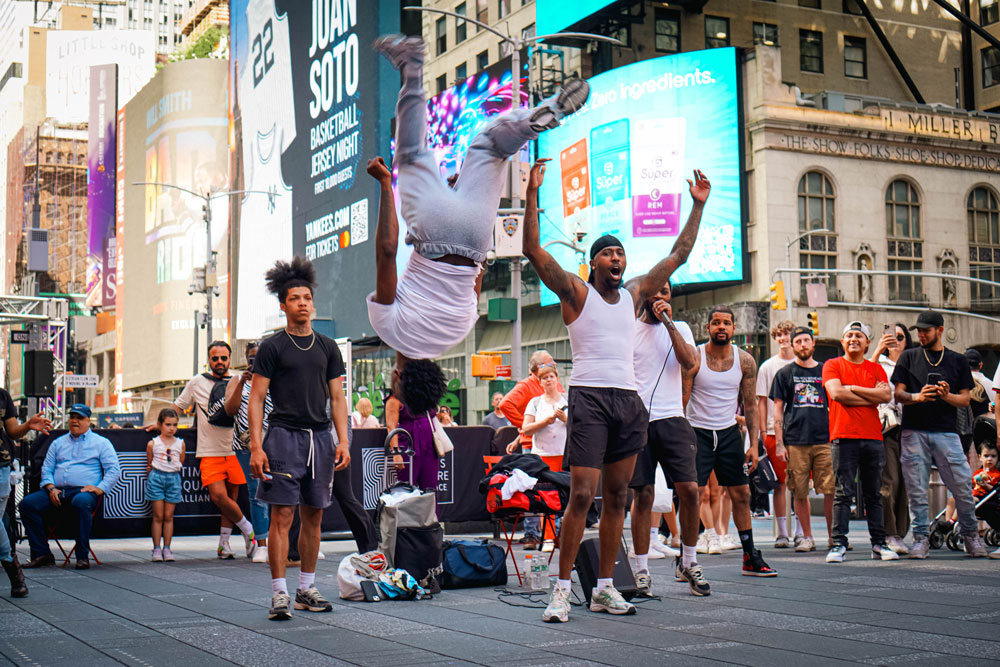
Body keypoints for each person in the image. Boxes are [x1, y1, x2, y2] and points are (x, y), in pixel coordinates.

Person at [523, 155, 711, 623]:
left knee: (619, 497)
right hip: (588, 397)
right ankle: (562, 591)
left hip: (628, 402)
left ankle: (605, 587)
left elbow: (679, 255)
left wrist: (698, 206)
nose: (617, 258)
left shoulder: (633, 294)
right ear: (593, 262)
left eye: (621, 253)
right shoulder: (575, 293)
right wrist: (530, 194)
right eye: (609, 253)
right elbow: (533, 251)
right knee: (582, 496)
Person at [367, 35, 588, 380]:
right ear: (397, 376)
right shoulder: (387, 327)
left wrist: (461, 203)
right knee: (411, 152)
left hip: (475, 240)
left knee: (491, 148)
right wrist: (384, 185)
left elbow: (476, 276)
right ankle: (411, 66)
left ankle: (541, 118)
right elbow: (386, 251)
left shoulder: (458, 332)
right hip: (432, 235)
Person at [248, 257, 351, 621]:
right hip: (283, 438)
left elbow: (337, 398)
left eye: (307, 297)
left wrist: (343, 440)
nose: (303, 303)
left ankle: (306, 589)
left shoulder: (327, 347)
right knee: (282, 516)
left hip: (320, 439)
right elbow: (257, 398)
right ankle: (279, 594)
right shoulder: (273, 347)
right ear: (283, 305)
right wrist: (257, 445)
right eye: (295, 298)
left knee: (314, 517)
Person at [684, 306, 776, 578]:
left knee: (741, 494)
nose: (721, 327)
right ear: (708, 328)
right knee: (693, 495)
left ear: (734, 328)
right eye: (716, 323)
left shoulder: (745, 361)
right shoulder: (695, 357)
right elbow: (682, 400)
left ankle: (750, 556)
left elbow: (750, 405)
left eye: (726, 323)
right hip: (697, 432)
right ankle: (686, 560)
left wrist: (753, 444)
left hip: (728, 434)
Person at [627, 280, 707, 597]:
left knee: (689, 490)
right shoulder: (629, 329)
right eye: (655, 291)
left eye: (666, 292)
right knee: (643, 495)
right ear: (643, 295)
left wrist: (669, 324)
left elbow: (690, 363)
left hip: (673, 417)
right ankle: (642, 570)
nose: (660, 296)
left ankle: (689, 560)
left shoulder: (681, 327)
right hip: (637, 421)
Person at [892, 310, 987, 558]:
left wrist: (946, 396)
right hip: (914, 431)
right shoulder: (909, 357)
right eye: (919, 331)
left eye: (926, 330)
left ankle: (969, 536)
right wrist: (917, 396)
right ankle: (921, 538)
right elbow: (898, 394)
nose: (921, 334)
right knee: (917, 489)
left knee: (963, 485)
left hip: (947, 432)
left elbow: (966, 399)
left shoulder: (957, 361)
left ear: (940, 330)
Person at [168, 341, 257, 560]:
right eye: (215, 358)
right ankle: (249, 531)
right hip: (209, 450)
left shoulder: (240, 378)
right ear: (208, 359)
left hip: (237, 449)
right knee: (219, 496)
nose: (219, 362)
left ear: (229, 359)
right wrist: (161, 423)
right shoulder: (197, 382)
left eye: (223, 358)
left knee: (232, 499)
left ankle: (223, 544)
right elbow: (178, 407)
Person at [822, 322, 897, 563]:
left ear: (867, 343)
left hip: (873, 437)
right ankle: (838, 544)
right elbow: (836, 394)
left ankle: (879, 543)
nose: (854, 339)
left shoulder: (875, 369)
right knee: (843, 493)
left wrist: (852, 388)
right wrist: (869, 395)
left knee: (874, 493)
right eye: (849, 335)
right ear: (842, 342)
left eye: (859, 336)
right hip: (843, 436)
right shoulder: (832, 365)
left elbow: (886, 395)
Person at [21, 404, 120, 570]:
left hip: (83, 491)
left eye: (80, 418)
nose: (75, 421)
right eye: (72, 417)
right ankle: (42, 553)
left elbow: (114, 469)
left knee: (81, 502)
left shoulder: (101, 443)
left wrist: (100, 488)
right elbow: (47, 469)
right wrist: (51, 488)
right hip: (57, 490)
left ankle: (82, 556)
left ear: (88, 421)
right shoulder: (57, 443)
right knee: (27, 505)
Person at [770, 326, 834, 553]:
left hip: (824, 438)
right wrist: (779, 443)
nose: (803, 345)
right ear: (793, 345)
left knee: (829, 490)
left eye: (807, 340)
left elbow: (834, 402)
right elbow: (778, 410)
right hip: (795, 440)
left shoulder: (826, 371)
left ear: (813, 343)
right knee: (799, 491)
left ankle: (833, 536)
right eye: (798, 341)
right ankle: (806, 537)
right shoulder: (784, 374)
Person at [508, 363, 567, 552]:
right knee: (545, 497)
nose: (549, 380)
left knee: (564, 497)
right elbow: (526, 428)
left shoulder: (567, 400)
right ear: (540, 382)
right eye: (545, 377)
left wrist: (566, 420)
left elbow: (582, 426)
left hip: (564, 455)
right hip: (542, 456)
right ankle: (548, 537)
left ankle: (561, 537)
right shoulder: (535, 402)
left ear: (557, 379)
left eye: (551, 376)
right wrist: (545, 422)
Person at [224, 341, 272, 564]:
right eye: (252, 357)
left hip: (274, 441)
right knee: (256, 491)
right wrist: (243, 383)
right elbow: (230, 410)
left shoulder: (276, 377)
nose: (255, 361)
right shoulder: (237, 380)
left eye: (259, 356)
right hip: (245, 444)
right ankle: (261, 544)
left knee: (281, 491)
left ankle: (279, 541)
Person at [1, 388, 50, 596]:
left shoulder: (2, 396)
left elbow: (12, 431)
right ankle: (14, 572)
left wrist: (27, 426)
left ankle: (15, 574)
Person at [869, 322, 912, 554]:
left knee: (905, 483)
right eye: (891, 336)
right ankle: (889, 533)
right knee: (888, 481)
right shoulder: (881, 364)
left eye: (900, 336)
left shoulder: (913, 362)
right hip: (885, 428)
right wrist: (877, 350)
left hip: (911, 428)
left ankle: (900, 533)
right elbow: (864, 374)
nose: (895, 340)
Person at [756, 319, 796, 548]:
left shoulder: (805, 364)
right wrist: (762, 430)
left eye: (786, 334)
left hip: (800, 432)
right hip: (772, 430)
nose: (783, 338)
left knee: (800, 484)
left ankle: (802, 531)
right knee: (779, 484)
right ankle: (782, 533)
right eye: (779, 335)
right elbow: (762, 401)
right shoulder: (768, 366)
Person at [384, 361, 447, 494]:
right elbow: (391, 426)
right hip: (408, 445)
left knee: (430, 488)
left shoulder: (425, 395)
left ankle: (430, 515)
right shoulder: (394, 399)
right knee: (407, 489)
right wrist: (396, 453)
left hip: (429, 444)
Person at [499, 351, 563, 453]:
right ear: (539, 367)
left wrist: (519, 437)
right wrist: (527, 427)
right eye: (550, 362)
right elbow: (505, 405)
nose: (554, 364)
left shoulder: (556, 386)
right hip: (534, 446)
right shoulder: (526, 386)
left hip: (558, 445)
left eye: (551, 377)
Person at [145, 408, 183, 562]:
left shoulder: (180, 443)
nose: (171, 428)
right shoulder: (153, 443)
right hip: (156, 477)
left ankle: (167, 548)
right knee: (158, 515)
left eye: (174, 425)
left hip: (173, 478)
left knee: (169, 516)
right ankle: (156, 548)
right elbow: (149, 463)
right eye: (168, 424)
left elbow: (181, 460)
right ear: (160, 424)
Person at [971, 441, 1000, 559]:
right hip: (976, 495)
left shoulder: (995, 474)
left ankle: (954, 524)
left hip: (986, 498)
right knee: (955, 499)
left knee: (968, 501)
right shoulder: (979, 472)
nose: (989, 459)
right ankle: (950, 523)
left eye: (993, 456)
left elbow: (993, 489)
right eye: (986, 456)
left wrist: (983, 485)